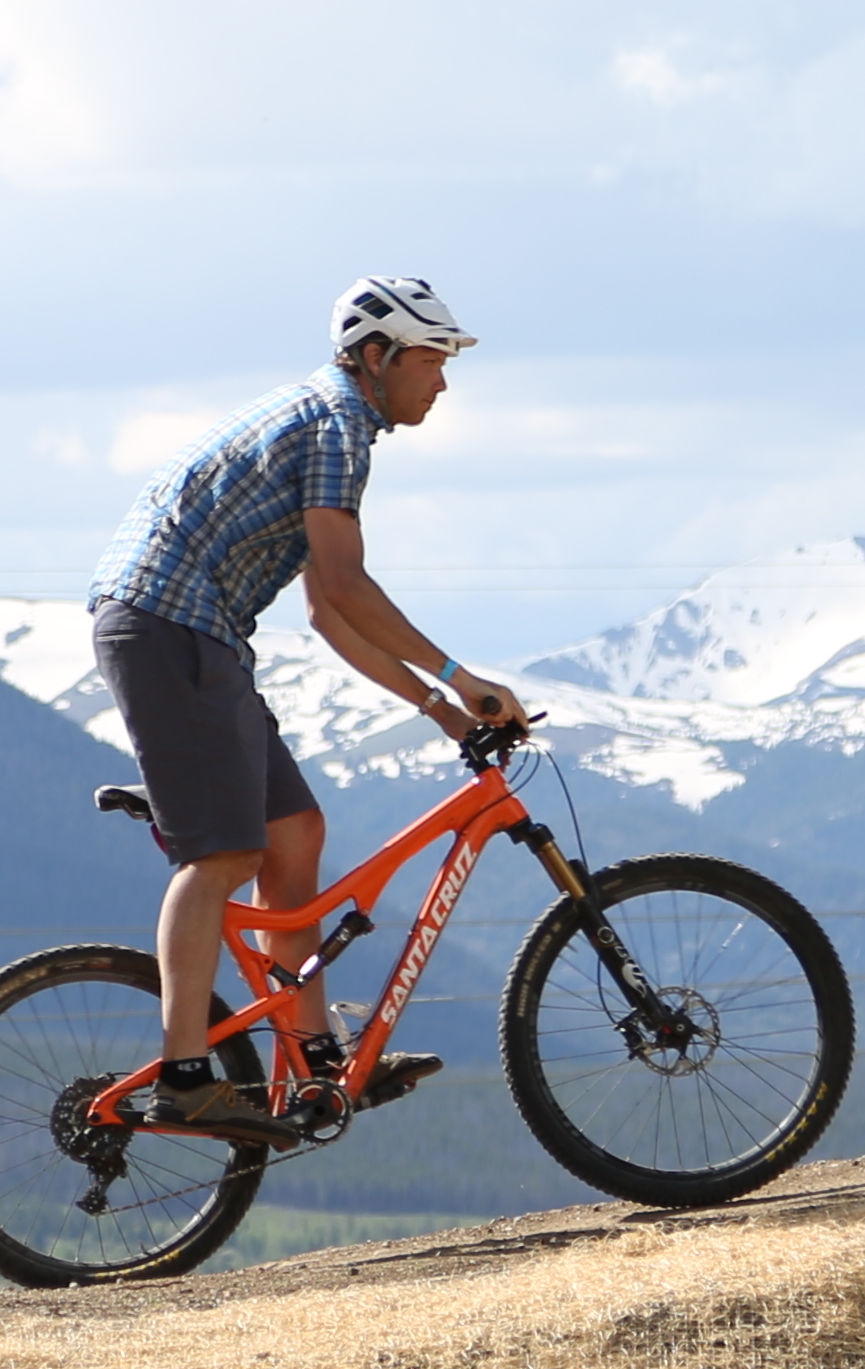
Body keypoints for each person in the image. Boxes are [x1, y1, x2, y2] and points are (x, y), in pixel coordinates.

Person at [86, 276, 536, 1126]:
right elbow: (345, 583)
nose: (442, 382)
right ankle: (185, 1076)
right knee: (219, 859)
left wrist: (440, 708)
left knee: (296, 836)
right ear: (377, 357)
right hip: (169, 624)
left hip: (191, 631)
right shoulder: (337, 427)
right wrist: (458, 674)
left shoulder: (327, 416)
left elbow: (329, 615)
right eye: (431, 361)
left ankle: (317, 1059)